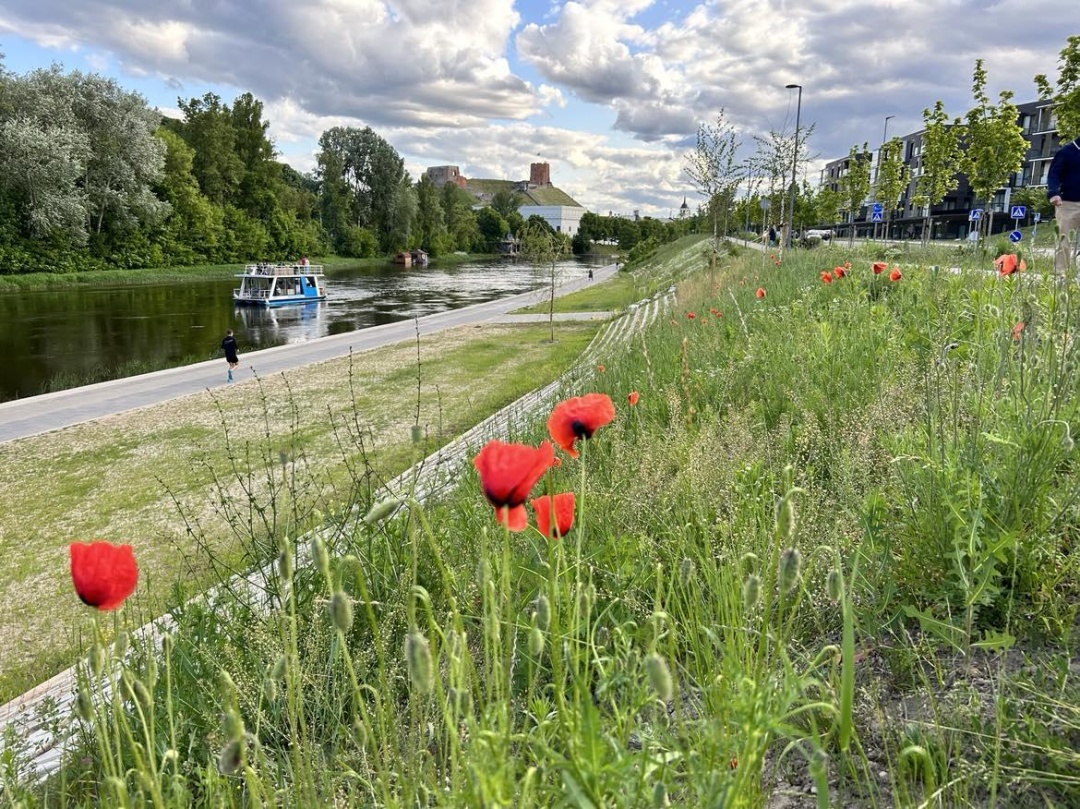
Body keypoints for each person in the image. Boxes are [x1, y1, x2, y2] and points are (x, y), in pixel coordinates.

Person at [1047, 134, 1080, 275]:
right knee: (1063, 242)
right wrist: (1053, 193)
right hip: (1067, 204)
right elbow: (1054, 174)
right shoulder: (1066, 151)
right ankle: (1061, 278)